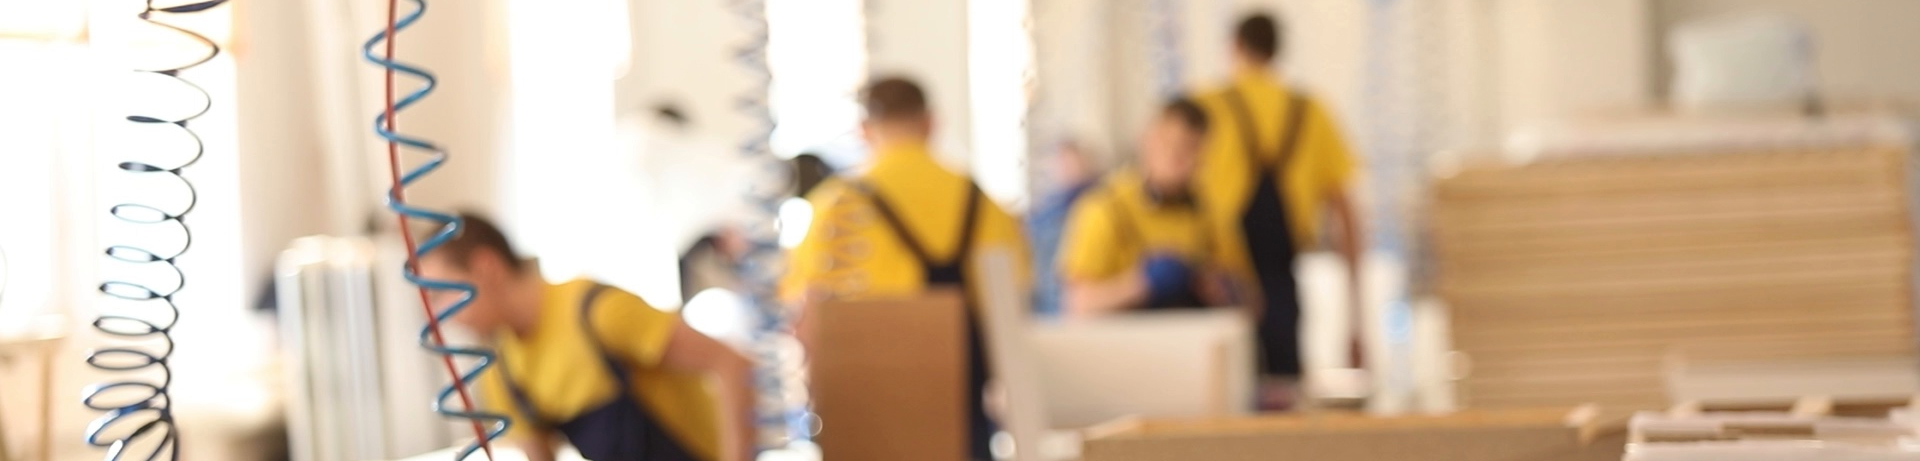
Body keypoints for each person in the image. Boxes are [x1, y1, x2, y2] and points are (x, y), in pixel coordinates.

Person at [781, 76, 1030, 461]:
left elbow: (806, 311)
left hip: (866, 391)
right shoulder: (982, 203)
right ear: (930, 123)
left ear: (864, 130)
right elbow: (1010, 303)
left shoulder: (835, 207)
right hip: (959, 389)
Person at [419, 213, 755, 461]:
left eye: (440, 295)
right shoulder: (501, 370)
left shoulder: (596, 311)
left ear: (486, 266)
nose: (437, 317)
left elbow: (732, 364)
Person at [1194, 12, 1366, 410]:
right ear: (1277, 50)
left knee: (1222, 399)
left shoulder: (1204, 105)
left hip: (1216, 282)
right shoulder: (1312, 111)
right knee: (1284, 396)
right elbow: (1345, 212)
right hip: (1278, 282)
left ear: (1234, 47)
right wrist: (1356, 321)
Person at [1058, 97, 1239, 316]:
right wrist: (1141, 285)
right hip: (1124, 336)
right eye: (1174, 147)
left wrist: (1219, 289)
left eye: (1194, 151)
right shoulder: (1104, 209)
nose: (1185, 162)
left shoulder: (1207, 214)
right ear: (1148, 140)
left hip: (1189, 333)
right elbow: (1077, 305)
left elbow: (1249, 298)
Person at [1025, 139, 1100, 319]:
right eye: (1062, 163)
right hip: (1046, 301)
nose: (1066, 168)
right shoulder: (1046, 209)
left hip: (1074, 302)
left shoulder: (1097, 204)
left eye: (1071, 162)